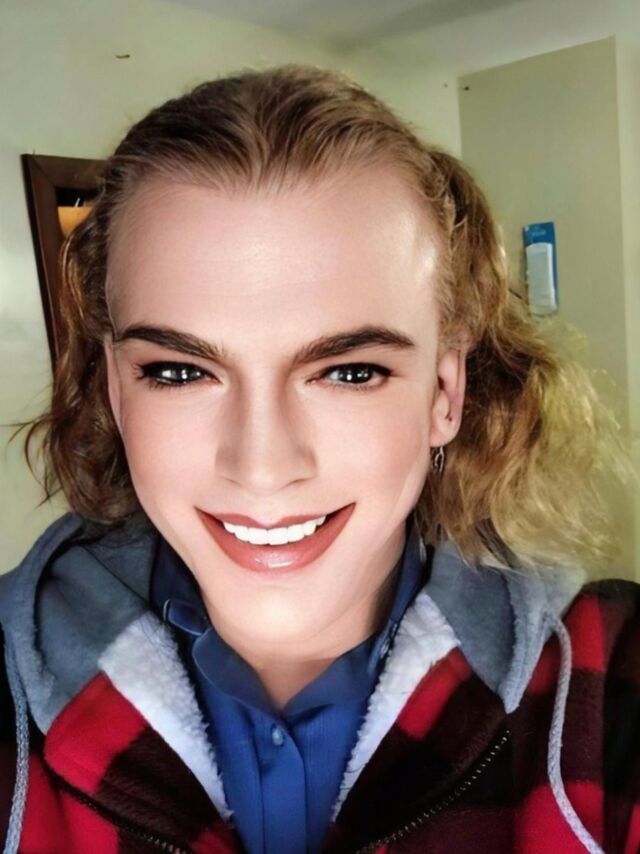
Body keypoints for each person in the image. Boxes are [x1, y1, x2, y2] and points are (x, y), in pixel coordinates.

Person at [0, 64, 638, 854]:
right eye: (179, 372)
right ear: (115, 390)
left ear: (444, 394)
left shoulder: (609, 692)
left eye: (350, 372)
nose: (262, 466)